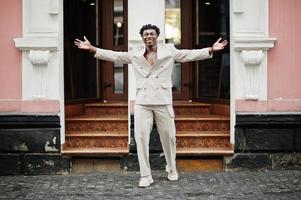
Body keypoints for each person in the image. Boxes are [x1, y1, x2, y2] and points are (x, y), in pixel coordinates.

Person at [74, 24, 228, 187]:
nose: (149, 36)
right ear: (142, 37)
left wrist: (210, 49)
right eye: (146, 34)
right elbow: (115, 56)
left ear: (157, 36)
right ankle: (145, 175)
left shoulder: (169, 50)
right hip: (143, 102)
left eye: (152, 34)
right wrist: (92, 49)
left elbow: (188, 54)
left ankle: (171, 168)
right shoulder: (135, 53)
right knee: (140, 138)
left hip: (163, 101)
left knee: (169, 138)